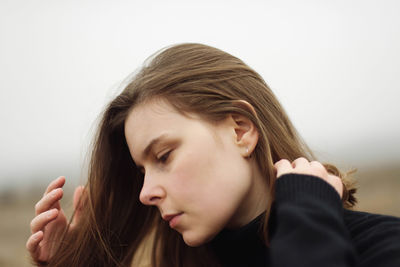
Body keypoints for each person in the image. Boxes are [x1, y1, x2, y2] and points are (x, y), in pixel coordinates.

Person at [26, 43, 400, 267]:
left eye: (164, 156)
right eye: (141, 171)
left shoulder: (383, 247)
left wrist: (308, 224)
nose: (145, 193)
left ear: (241, 131)